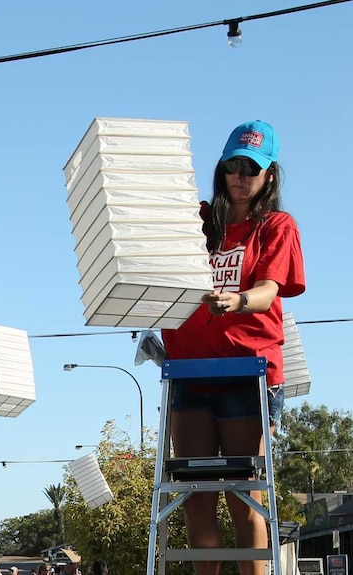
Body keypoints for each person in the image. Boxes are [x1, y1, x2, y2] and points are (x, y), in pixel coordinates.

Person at [162, 119, 306, 575]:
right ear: (221, 169)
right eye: (233, 165)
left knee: (243, 494)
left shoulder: (276, 226)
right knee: (193, 494)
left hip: (248, 373)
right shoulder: (197, 221)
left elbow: (268, 291)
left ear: (270, 175)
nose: (241, 176)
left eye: (252, 168)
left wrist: (237, 300)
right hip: (188, 371)